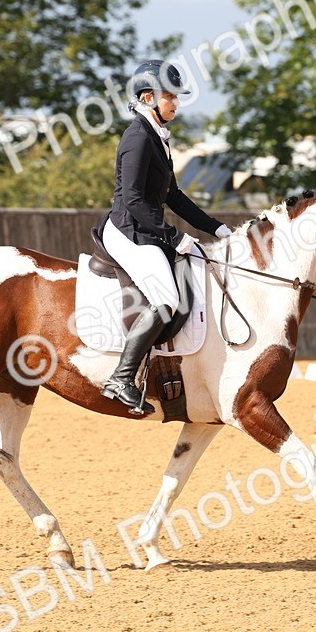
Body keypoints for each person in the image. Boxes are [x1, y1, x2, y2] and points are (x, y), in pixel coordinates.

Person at [92, 60, 231, 414]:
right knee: (166, 298)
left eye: (176, 97)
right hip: (128, 230)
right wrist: (173, 236)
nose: (176, 104)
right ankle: (121, 378)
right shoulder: (138, 137)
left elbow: (173, 195)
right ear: (148, 97)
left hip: (145, 228)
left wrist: (215, 227)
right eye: (170, 96)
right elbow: (135, 201)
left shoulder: (157, 136)